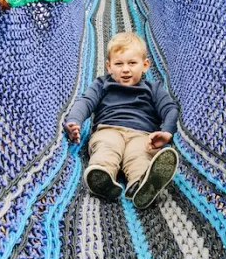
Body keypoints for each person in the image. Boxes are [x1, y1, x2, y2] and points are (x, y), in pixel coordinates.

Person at [64, 32, 179, 209]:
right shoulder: (102, 84)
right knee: (107, 148)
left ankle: (142, 185)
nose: (125, 69)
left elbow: (170, 109)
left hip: (142, 135)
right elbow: (85, 102)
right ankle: (101, 177)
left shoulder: (153, 88)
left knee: (139, 155)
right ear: (109, 67)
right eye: (119, 64)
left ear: (145, 65)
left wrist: (166, 133)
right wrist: (74, 121)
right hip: (108, 129)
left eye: (132, 63)